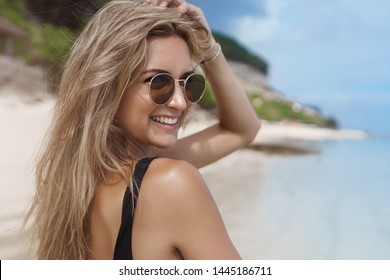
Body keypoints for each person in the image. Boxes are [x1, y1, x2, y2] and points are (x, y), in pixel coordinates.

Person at [25, 0, 261, 260]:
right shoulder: (170, 182)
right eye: (158, 82)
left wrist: (207, 48)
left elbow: (242, 130)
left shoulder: (72, 173)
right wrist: (212, 53)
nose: (181, 102)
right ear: (108, 84)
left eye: (188, 82)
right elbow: (243, 131)